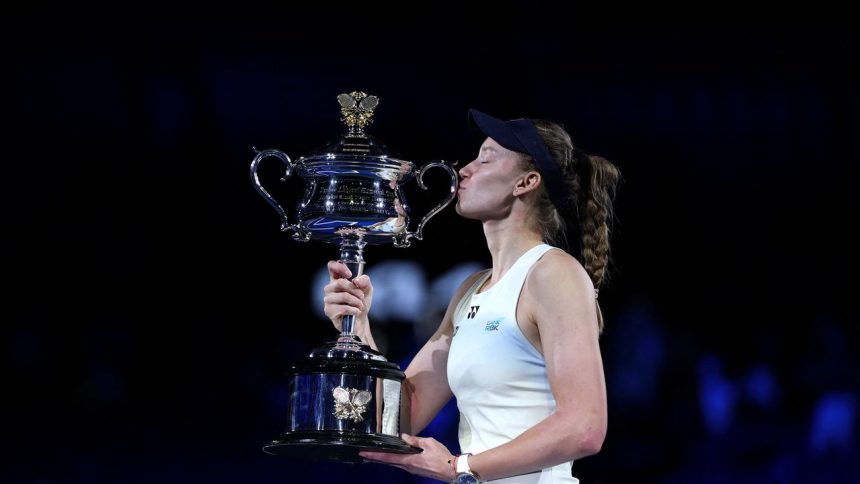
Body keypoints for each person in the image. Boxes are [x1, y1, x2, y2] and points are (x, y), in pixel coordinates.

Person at [323, 108, 621, 483]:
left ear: (526, 182)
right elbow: (398, 417)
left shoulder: (553, 274)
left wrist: (460, 468)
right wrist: (359, 326)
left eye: (486, 157)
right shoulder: (471, 289)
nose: (464, 169)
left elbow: (585, 427)